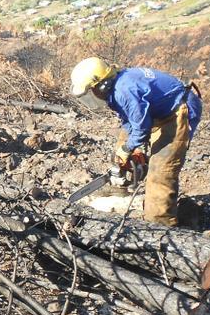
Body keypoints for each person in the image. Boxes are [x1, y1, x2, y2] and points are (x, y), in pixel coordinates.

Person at [70, 57, 202, 226]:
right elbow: (129, 120)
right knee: (123, 144)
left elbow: (141, 127)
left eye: (91, 90)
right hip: (157, 112)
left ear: (101, 85)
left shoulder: (125, 90)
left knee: (162, 170)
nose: (92, 95)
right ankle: (123, 186)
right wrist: (131, 148)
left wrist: (130, 147)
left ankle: (160, 225)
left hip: (177, 111)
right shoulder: (115, 88)